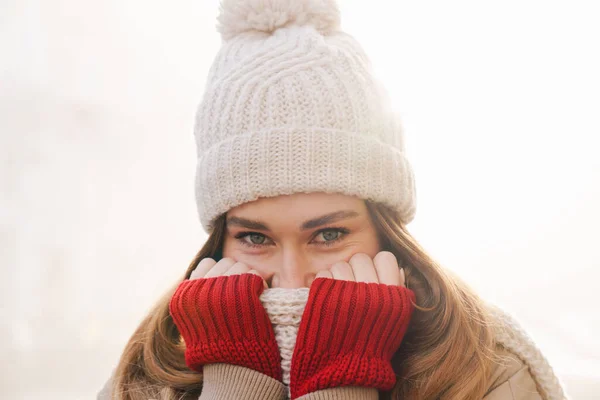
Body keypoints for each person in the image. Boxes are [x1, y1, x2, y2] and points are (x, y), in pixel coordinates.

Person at [98, 1, 569, 399]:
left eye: (328, 234)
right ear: (220, 238)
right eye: (254, 237)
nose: (292, 277)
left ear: (386, 228)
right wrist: (231, 379)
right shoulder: (156, 362)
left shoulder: (482, 365)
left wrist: (343, 377)